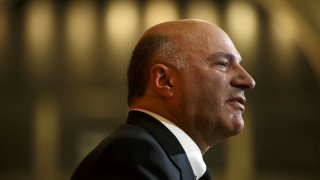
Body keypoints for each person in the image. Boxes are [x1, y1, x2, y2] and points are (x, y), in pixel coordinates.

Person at [71, 19, 256, 180]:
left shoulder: (159, 158)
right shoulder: (132, 158)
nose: (249, 81)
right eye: (223, 64)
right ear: (164, 80)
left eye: (240, 65)